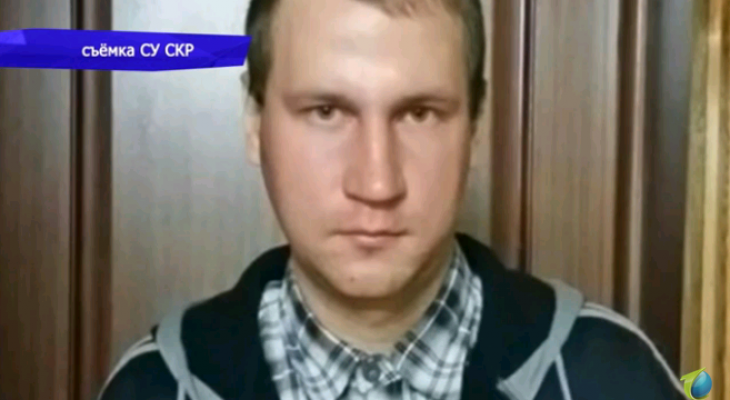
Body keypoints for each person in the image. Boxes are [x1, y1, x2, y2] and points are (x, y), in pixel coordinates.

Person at [99, 0, 686, 399]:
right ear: (255, 123)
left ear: (476, 128)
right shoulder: (154, 387)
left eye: (419, 113)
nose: (377, 184)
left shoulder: (614, 377)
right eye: (326, 112)